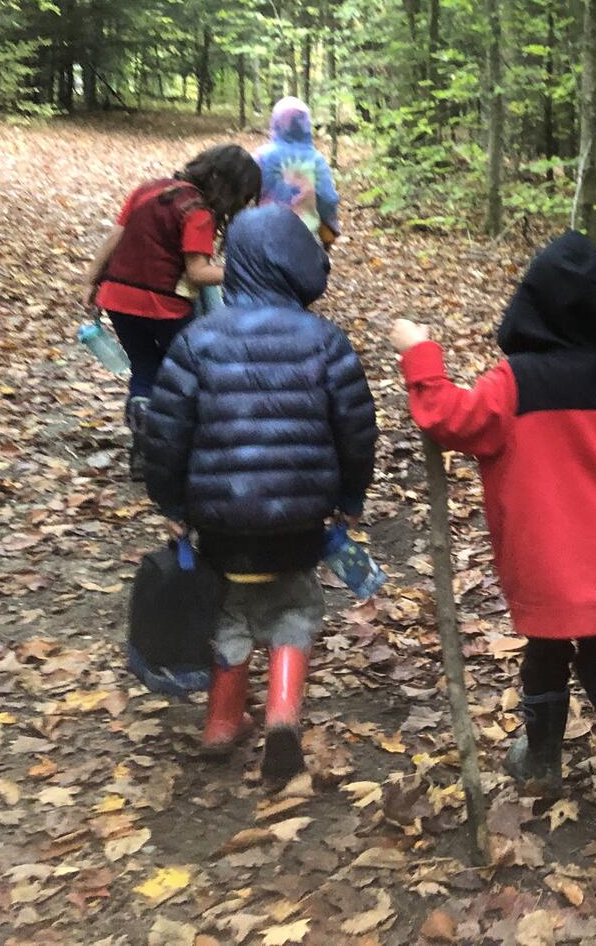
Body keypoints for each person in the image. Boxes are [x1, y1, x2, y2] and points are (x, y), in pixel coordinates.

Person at [389, 230, 596, 853]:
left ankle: (559, 760)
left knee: (548, 646)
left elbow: (450, 419)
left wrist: (419, 354)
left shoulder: (513, 383)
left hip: (546, 561)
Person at [141, 205, 377, 787]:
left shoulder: (198, 340)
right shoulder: (324, 341)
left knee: (230, 610)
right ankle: (281, 717)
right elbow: (356, 426)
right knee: (294, 605)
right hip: (298, 521)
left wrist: (170, 503)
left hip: (219, 524)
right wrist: (351, 496)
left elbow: (166, 431)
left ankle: (222, 722)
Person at [83, 143, 261, 477]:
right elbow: (197, 272)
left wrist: (91, 281)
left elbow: (115, 237)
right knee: (186, 371)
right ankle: (185, 447)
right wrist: (247, 270)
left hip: (118, 299)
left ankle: (142, 449)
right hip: (164, 305)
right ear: (227, 185)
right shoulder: (198, 212)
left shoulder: (148, 189)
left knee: (145, 367)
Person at [255, 97, 341, 244]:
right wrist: (331, 226)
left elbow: (246, 195)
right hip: (305, 239)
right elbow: (327, 198)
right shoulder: (316, 160)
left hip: (264, 237)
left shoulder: (260, 157)